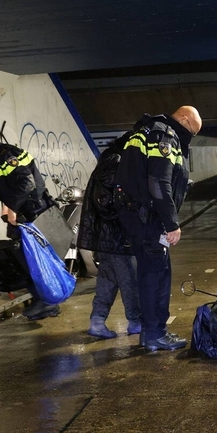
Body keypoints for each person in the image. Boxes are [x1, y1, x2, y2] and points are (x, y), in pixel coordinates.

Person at [113, 106, 202, 351]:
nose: (189, 138)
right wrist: (172, 224)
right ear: (183, 119)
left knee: (148, 274)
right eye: (191, 132)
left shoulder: (145, 131)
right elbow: (159, 182)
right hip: (149, 220)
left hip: (137, 216)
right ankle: (155, 334)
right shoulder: (164, 136)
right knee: (157, 276)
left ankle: (149, 332)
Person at [0, 123, 59, 320]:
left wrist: (13, 209)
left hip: (33, 212)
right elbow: (8, 187)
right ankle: (44, 301)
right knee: (22, 258)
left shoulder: (7, 155)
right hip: (25, 213)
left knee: (32, 259)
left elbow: (27, 184)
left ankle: (47, 301)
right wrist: (6, 206)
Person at [76, 136, 142, 339]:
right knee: (129, 279)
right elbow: (106, 201)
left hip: (107, 237)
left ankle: (97, 321)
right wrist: (129, 212)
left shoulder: (110, 161)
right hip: (116, 237)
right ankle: (135, 322)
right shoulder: (115, 163)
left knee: (108, 280)